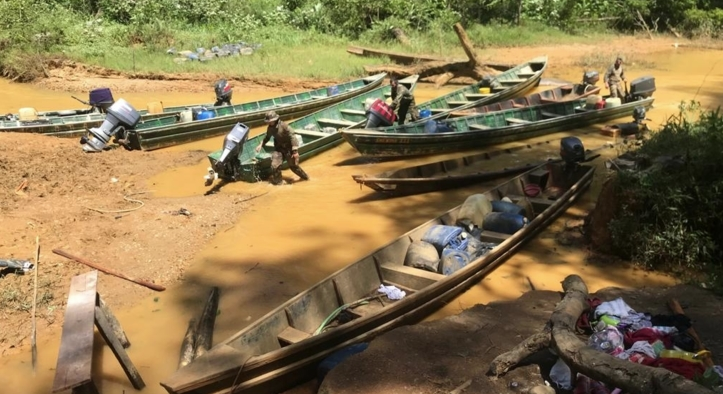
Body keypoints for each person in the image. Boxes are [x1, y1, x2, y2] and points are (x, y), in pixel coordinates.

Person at [255, 111, 309, 185]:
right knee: (275, 166)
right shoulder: (270, 128)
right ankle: (279, 183)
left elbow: (292, 136)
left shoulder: (284, 126)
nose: (269, 123)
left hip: (289, 148)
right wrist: (261, 145)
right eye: (268, 122)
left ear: (275, 120)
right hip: (279, 148)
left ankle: (305, 178)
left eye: (270, 121)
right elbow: (267, 137)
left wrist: (295, 151)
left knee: (293, 166)